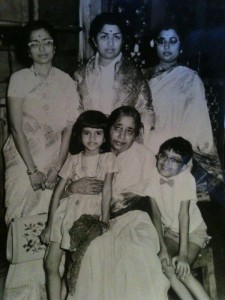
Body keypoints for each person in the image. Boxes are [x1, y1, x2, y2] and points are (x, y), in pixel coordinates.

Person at [3, 20, 79, 299]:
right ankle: (23, 293)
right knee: (23, 219)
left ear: (54, 46)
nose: (41, 48)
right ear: (27, 49)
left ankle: (52, 291)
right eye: (34, 43)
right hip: (24, 158)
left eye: (46, 42)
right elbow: (15, 127)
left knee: (53, 221)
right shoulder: (19, 79)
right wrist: (32, 170)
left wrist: (57, 168)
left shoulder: (67, 81)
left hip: (55, 159)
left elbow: (69, 128)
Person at [64, 106, 169, 300]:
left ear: (136, 134)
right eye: (117, 128)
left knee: (136, 252)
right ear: (108, 128)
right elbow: (63, 194)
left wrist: (162, 246)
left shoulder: (144, 156)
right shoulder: (93, 151)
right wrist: (72, 188)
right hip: (98, 222)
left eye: (129, 131)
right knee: (94, 253)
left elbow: (154, 200)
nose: (121, 136)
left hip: (134, 219)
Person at [41, 110, 117, 300]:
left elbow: (107, 190)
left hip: (88, 217)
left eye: (98, 133)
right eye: (87, 133)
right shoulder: (73, 160)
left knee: (76, 266)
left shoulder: (108, 158)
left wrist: (105, 220)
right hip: (65, 215)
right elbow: (58, 193)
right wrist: (49, 226)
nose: (92, 138)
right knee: (51, 263)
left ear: (105, 135)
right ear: (79, 134)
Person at [145, 23, 224, 203]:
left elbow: (197, 122)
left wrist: (182, 156)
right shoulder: (143, 77)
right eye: (162, 41)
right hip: (148, 147)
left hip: (176, 148)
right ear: (153, 44)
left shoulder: (190, 79)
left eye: (173, 41)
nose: (166, 47)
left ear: (180, 47)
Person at [74, 12, 155, 143]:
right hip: (90, 142)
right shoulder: (81, 74)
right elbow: (74, 111)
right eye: (104, 37)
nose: (110, 43)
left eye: (116, 37)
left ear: (123, 40)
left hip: (123, 143)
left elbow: (146, 112)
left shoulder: (134, 74)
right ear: (94, 40)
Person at [145, 137, 210, 300]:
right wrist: (163, 249)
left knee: (183, 270)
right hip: (171, 232)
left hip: (193, 232)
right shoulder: (152, 176)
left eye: (174, 160)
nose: (166, 162)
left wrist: (182, 255)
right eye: (163, 156)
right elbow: (156, 216)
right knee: (166, 268)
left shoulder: (185, 179)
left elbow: (183, 216)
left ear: (184, 167)